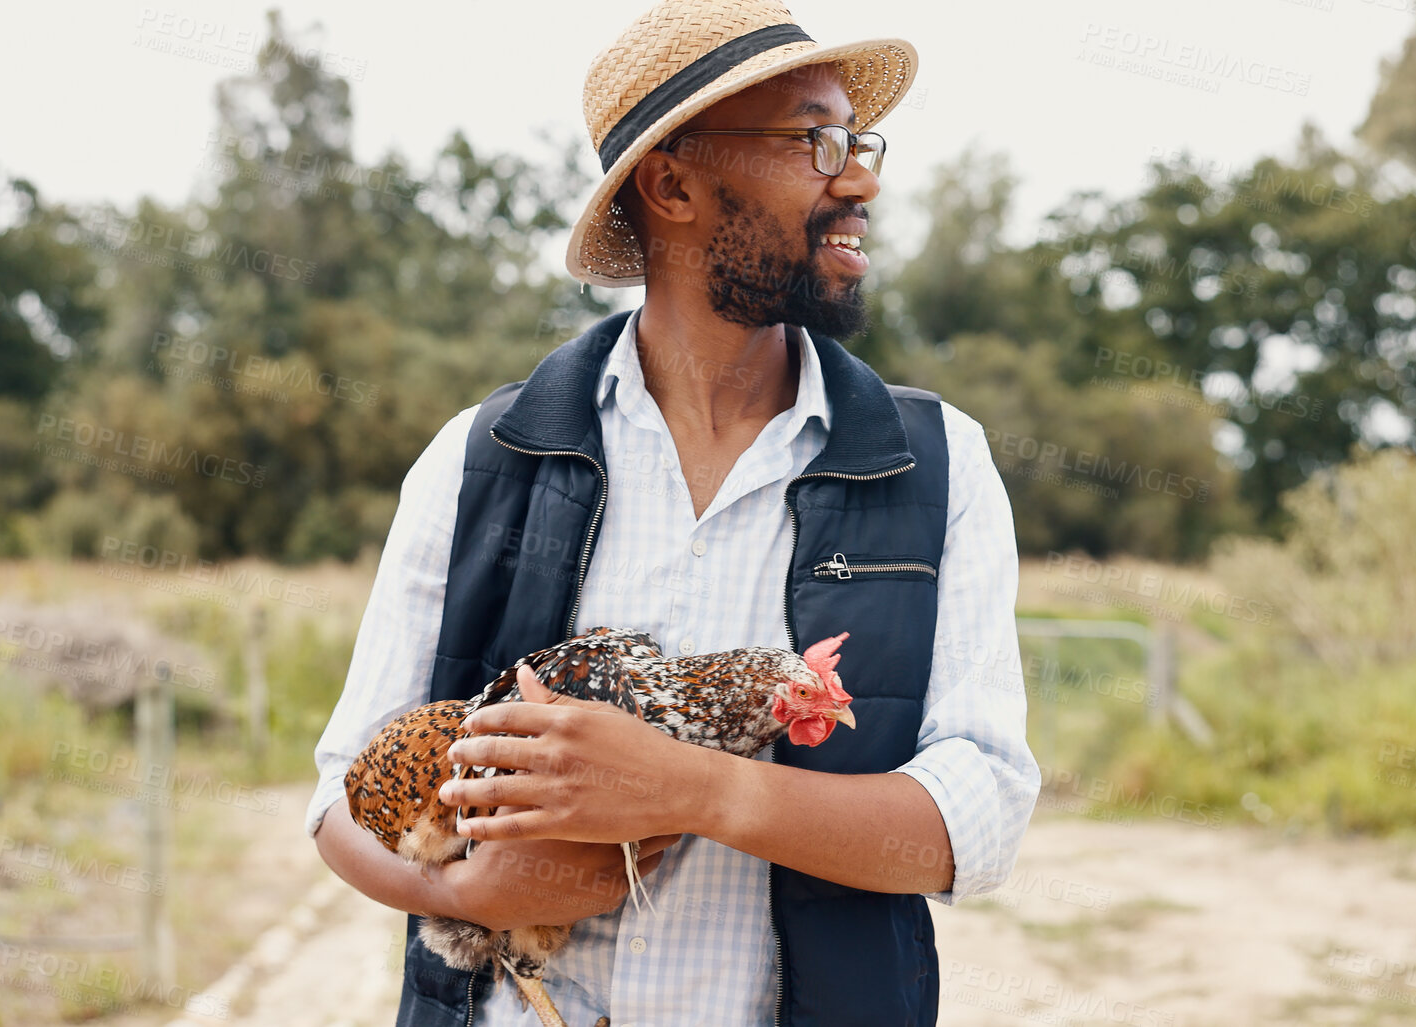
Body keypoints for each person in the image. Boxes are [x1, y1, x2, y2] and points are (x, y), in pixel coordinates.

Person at [308, 1, 1039, 1023]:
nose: (861, 178)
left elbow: (982, 821)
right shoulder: (480, 460)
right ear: (675, 183)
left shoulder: (933, 463)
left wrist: (696, 788)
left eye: (860, 142)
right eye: (816, 141)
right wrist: (467, 892)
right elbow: (340, 793)